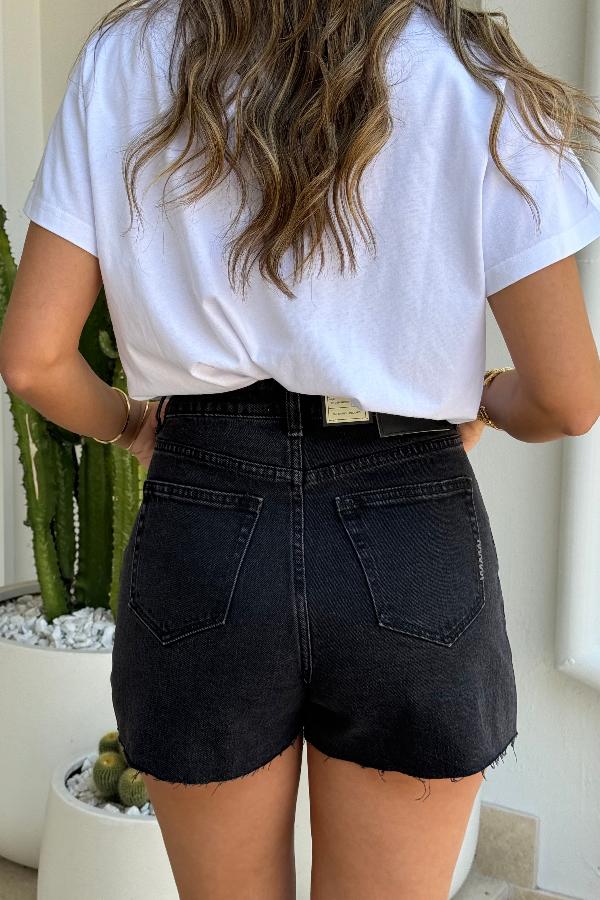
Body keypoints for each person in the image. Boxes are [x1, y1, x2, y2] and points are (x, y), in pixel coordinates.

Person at [2, 1, 600, 897]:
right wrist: (476, 400)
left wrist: (129, 425)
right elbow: (568, 397)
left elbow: (34, 360)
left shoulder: (126, 54)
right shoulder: (469, 66)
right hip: (409, 524)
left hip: (204, 515)